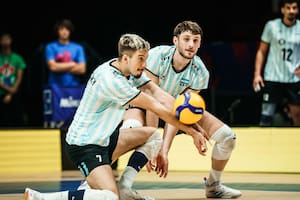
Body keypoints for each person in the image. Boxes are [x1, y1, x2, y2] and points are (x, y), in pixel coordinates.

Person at [24, 33, 208, 200]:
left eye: (146, 60)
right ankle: (41, 198)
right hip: (84, 146)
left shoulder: (127, 69)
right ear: (126, 58)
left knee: (153, 135)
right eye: (141, 60)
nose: (145, 66)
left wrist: (186, 113)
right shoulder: (113, 81)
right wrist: (192, 133)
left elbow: (158, 93)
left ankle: (125, 188)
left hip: (105, 138)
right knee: (109, 197)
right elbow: (157, 107)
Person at [79, 20, 242, 199]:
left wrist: (164, 150)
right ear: (175, 41)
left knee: (228, 138)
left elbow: (181, 111)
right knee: (131, 128)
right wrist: (155, 148)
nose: (191, 45)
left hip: (174, 109)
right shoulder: (157, 56)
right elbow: (152, 102)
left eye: (196, 41)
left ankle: (213, 185)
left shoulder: (200, 71)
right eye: (186, 39)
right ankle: (95, 180)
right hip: (143, 104)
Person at [253, 0, 300, 127]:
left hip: (294, 79)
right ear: (283, 10)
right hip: (273, 77)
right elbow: (261, 51)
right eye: (288, 8)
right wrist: (257, 74)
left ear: (297, 10)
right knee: (266, 115)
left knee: (297, 116)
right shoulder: (271, 26)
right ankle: (263, 144)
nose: (291, 11)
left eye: (294, 8)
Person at [44, 18, 87, 128]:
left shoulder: (78, 48)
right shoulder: (51, 47)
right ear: (57, 31)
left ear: (70, 31)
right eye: (61, 29)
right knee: (55, 121)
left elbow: (82, 69)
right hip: (55, 89)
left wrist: (61, 67)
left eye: (67, 29)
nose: (64, 32)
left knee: (74, 119)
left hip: (73, 88)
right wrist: (72, 64)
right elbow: (52, 67)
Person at [0, 32, 27, 127]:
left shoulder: (17, 58)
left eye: (7, 39)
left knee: (17, 118)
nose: (5, 42)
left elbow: (19, 77)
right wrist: (7, 89)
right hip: (1, 92)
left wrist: (11, 92)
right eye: (3, 39)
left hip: (15, 93)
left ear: (11, 41)